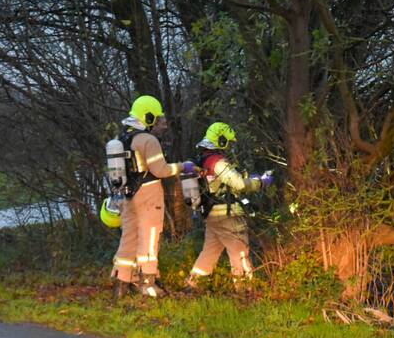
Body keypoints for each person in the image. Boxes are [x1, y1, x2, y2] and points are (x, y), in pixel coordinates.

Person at [109, 95, 194, 298]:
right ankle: (147, 283)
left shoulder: (122, 139)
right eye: (158, 119)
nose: (163, 125)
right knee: (150, 236)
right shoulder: (148, 140)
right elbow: (161, 170)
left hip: (128, 194)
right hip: (148, 194)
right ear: (148, 118)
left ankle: (122, 283)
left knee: (129, 237)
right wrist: (183, 166)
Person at [186, 122, 273, 288]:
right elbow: (239, 184)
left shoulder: (202, 160)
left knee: (209, 252)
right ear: (221, 141)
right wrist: (261, 183)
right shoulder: (218, 162)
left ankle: (193, 285)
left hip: (211, 215)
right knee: (240, 252)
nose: (230, 147)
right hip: (228, 215)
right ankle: (246, 290)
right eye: (228, 142)